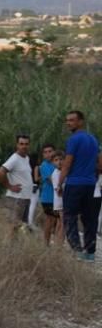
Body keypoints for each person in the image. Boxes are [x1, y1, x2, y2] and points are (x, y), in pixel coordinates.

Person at [56, 110, 101, 262]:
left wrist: (59, 183)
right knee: (90, 219)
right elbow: (100, 163)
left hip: (75, 183)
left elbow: (67, 164)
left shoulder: (73, 139)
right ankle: (90, 252)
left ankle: (77, 250)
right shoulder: (94, 139)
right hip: (90, 185)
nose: (69, 123)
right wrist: (93, 175)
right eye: (67, 120)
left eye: (72, 120)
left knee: (70, 217)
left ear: (81, 121)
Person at [0, 135, 34, 238]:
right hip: (16, 198)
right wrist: (9, 186)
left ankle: (14, 250)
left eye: (26, 144)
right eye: (21, 144)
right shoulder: (14, 159)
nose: (24, 146)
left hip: (25, 198)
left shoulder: (26, 158)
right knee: (12, 226)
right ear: (17, 145)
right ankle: (7, 250)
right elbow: (0, 172)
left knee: (20, 227)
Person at [37, 144, 59, 245]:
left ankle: (54, 242)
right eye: (45, 152)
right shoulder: (44, 165)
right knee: (50, 220)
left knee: (56, 221)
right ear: (43, 155)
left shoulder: (56, 163)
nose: (48, 154)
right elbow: (51, 180)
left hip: (57, 198)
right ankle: (46, 243)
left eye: (50, 151)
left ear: (54, 152)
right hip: (48, 198)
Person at [51, 151, 65, 244]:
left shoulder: (62, 172)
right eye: (56, 160)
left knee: (60, 223)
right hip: (61, 202)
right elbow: (58, 191)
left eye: (61, 159)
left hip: (60, 202)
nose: (59, 162)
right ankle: (59, 245)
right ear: (52, 162)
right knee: (64, 223)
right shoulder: (56, 174)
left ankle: (56, 243)